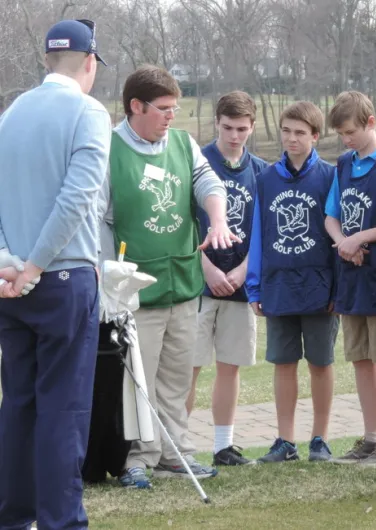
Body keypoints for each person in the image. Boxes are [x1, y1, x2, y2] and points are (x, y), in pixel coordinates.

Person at [98, 65, 234, 489]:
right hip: (136, 290)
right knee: (137, 381)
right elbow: (99, 218)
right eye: (164, 108)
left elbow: (206, 180)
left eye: (175, 107)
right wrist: (109, 276)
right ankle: (136, 458)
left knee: (176, 377)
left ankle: (175, 452)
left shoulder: (181, 143)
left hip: (182, 281)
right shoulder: (108, 150)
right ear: (135, 107)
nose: (172, 116)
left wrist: (217, 217)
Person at [0, 19, 110, 529]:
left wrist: (7, 261)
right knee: (62, 410)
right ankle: (62, 520)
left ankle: (15, 517)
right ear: (89, 63)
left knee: (19, 405)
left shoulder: (12, 112)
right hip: (62, 280)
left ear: (49, 60)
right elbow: (77, 199)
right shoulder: (88, 112)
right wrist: (37, 265)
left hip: (10, 283)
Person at [246, 101, 339, 463]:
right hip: (278, 284)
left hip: (319, 285)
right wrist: (254, 285)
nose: (292, 138)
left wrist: (338, 288)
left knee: (320, 362)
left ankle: (321, 438)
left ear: (315, 136)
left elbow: (337, 234)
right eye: (286, 130)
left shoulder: (330, 176)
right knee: (283, 362)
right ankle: (285, 441)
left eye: (300, 132)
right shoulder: (266, 178)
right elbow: (257, 236)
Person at [324, 91, 376, 466]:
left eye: (351, 131)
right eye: (341, 134)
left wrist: (361, 237)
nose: (346, 140)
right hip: (351, 273)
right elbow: (331, 215)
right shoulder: (343, 164)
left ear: (371, 123)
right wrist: (344, 241)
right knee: (360, 358)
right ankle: (371, 437)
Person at [185, 91, 268, 466]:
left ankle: (223, 445)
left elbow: (265, 231)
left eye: (242, 129)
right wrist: (207, 268)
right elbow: (183, 224)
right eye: (228, 127)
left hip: (240, 281)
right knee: (188, 365)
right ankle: (176, 444)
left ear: (251, 127)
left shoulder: (262, 171)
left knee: (230, 365)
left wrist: (244, 270)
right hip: (199, 280)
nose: (235, 136)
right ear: (216, 123)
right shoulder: (197, 162)